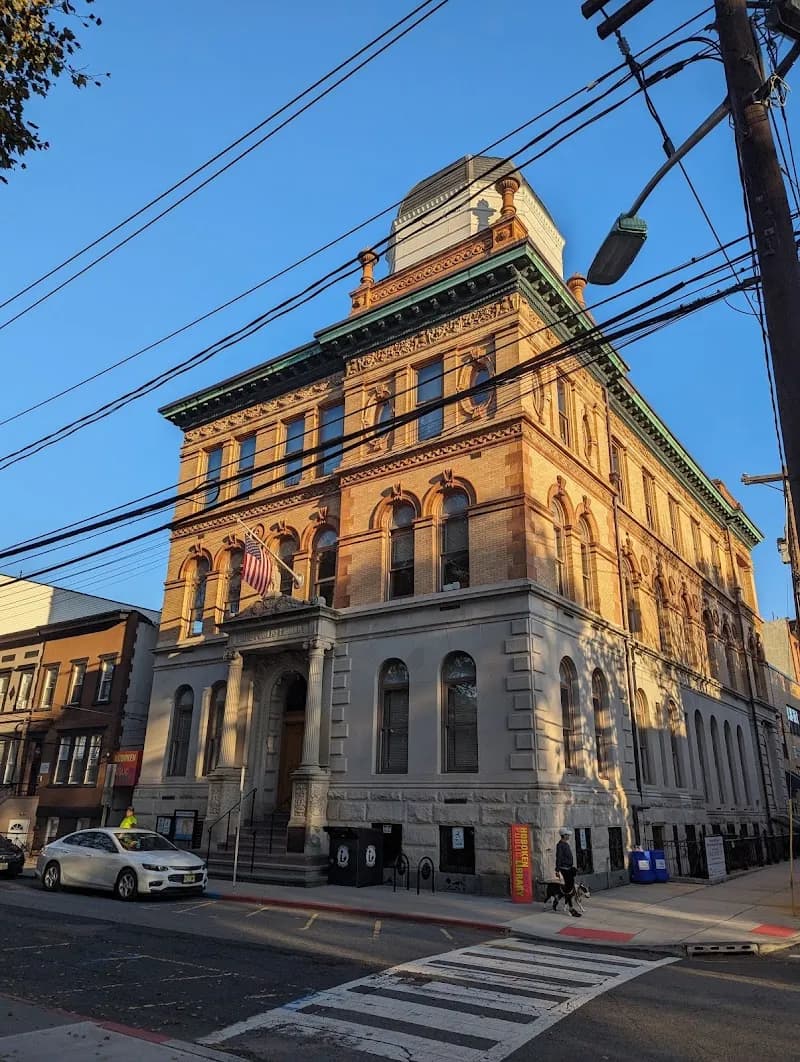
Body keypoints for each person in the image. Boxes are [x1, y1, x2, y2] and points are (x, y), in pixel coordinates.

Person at [555, 828, 581, 918]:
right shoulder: (560, 845)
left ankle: (559, 898)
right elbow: (559, 858)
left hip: (569, 868)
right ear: (564, 835)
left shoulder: (565, 844)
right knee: (569, 889)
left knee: (569, 888)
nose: (569, 836)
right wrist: (557, 870)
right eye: (568, 835)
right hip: (565, 869)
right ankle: (570, 908)